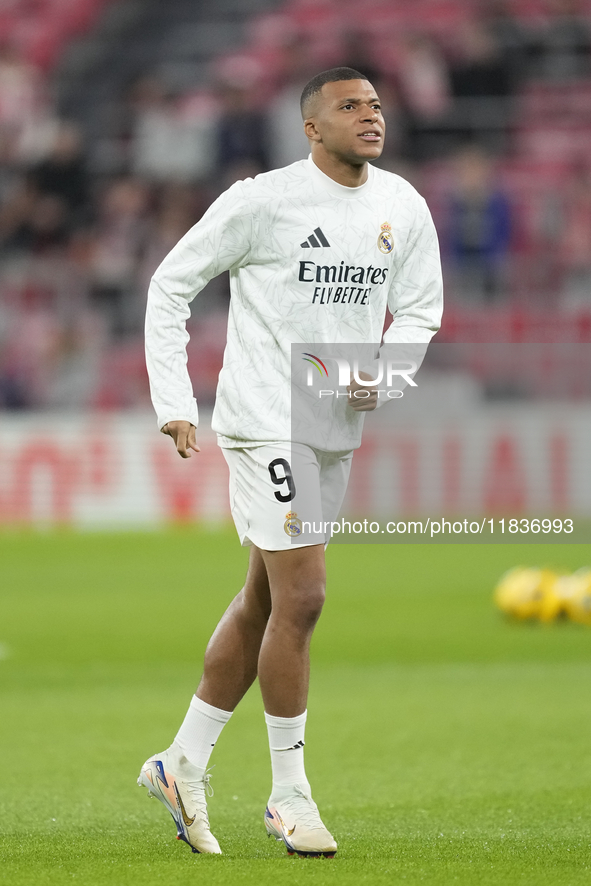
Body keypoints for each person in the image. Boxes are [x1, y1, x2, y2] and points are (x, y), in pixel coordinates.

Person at [140, 67, 443, 858]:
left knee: (264, 602)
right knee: (303, 597)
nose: (370, 115)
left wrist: (388, 368)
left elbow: (418, 308)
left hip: (331, 422)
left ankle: (180, 762)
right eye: (350, 106)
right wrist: (174, 399)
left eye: (376, 104)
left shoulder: (401, 206)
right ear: (311, 128)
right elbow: (171, 284)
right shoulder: (261, 200)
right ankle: (288, 796)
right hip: (263, 418)